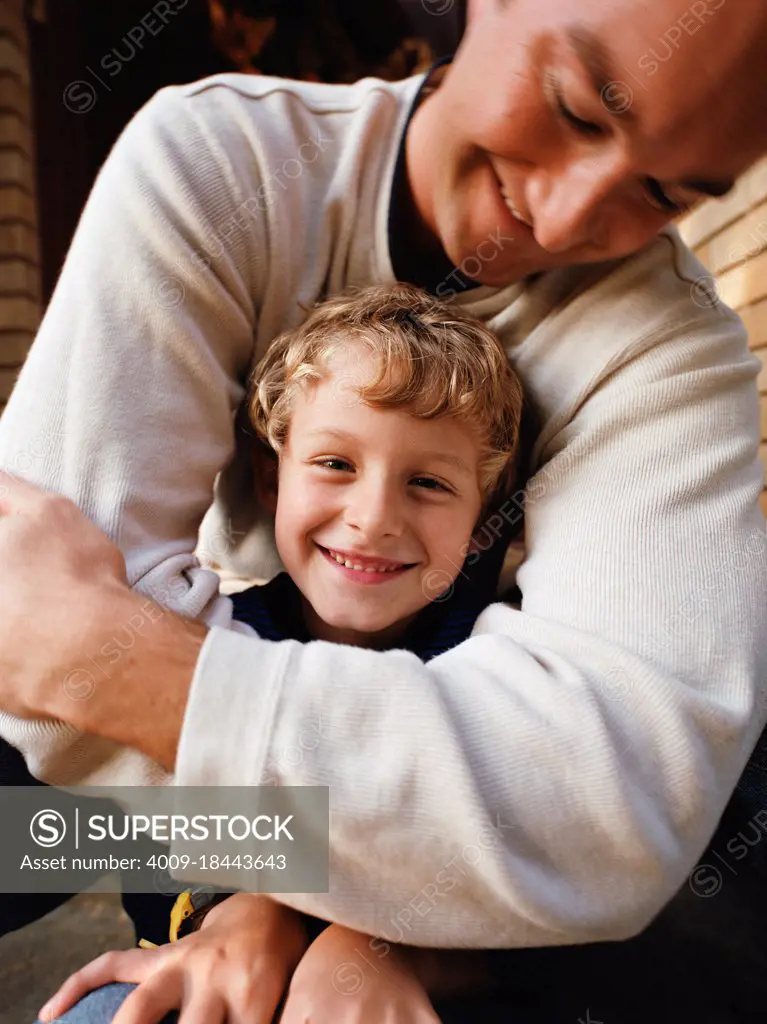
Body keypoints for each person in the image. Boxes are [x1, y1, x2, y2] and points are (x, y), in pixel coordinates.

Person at [0, 0, 765, 1020]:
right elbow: (37, 683)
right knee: (40, 830)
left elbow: (608, 817)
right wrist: (270, 886)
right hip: (164, 847)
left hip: (425, 914)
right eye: (576, 108)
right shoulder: (221, 160)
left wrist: (344, 921)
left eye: (664, 191)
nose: (570, 217)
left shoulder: (669, 353)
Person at [34, 281, 524, 1023]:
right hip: (209, 960)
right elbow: (128, 833)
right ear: (271, 477)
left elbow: (536, 856)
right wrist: (240, 908)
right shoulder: (212, 638)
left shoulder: (498, 657)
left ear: (480, 519)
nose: (372, 518)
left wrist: (369, 940)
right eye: (334, 464)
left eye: (427, 482)